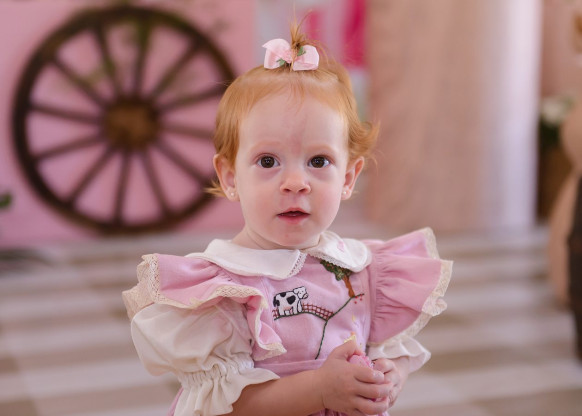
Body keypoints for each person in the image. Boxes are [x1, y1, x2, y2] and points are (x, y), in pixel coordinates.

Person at [123, 23, 452, 416]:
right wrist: (319, 390)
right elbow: (229, 405)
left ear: (348, 177)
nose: (296, 182)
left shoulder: (365, 270)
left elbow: (389, 349)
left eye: (318, 161)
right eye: (268, 161)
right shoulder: (223, 292)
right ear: (230, 177)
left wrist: (390, 375)